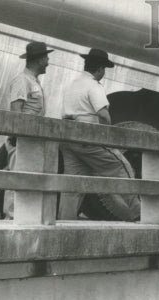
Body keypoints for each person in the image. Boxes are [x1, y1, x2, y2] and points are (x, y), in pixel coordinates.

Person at [60, 47, 139, 219]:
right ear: (100, 69)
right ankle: (139, 215)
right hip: (88, 135)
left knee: (73, 184)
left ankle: (64, 222)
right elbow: (103, 114)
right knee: (121, 167)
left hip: (67, 136)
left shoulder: (72, 84)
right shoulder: (93, 85)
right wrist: (106, 138)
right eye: (104, 70)